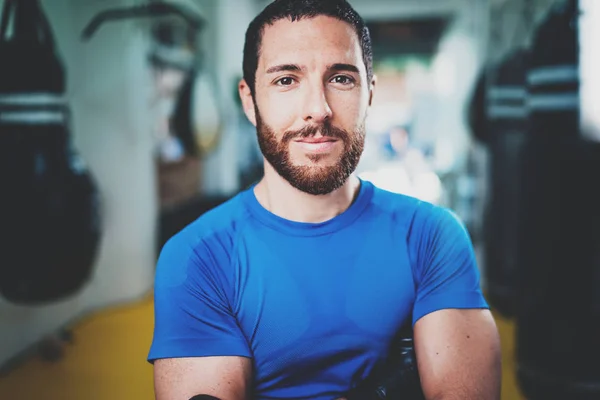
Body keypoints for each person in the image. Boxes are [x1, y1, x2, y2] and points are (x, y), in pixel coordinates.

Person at [147, 1, 502, 399]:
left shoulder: (431, 235)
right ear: (249, 100)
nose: (317, 109)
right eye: (286, 80)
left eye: (341, 78)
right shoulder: (198, 256)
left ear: (370, 94)